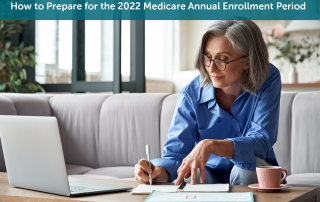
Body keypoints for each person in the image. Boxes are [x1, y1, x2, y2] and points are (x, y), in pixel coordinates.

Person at [134, 20, 281, 186]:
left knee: (244, 167)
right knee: (191, 174)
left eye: (222, 60)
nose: (211, 68)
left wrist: (211, 145)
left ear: (247, 61)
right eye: (207, 57)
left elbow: (261, 140)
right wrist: (157, 172)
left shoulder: (267, 78)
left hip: (252, 170)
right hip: (208, 173)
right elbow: (176, 155)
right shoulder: (191, 94)